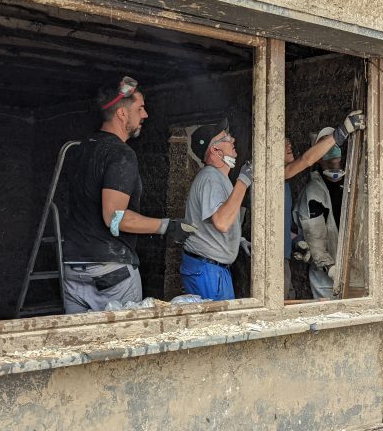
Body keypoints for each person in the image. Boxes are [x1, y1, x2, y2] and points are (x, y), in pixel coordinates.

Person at [62, 76, 196, 313]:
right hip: (109, 274)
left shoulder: (80, 149)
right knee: (122, 342)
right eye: (140, 108)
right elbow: (115, 217)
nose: (144, 115)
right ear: (122, 114)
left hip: (73, 268)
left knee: (82, 344)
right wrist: (167, 226)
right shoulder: (121, 154)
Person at [283, 110, 364, 299]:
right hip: (328, 280)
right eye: (327, 144)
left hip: (355, 274)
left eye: (336, 144)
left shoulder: (351, 185)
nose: (334, 148)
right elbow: (315, 237)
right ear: (318, 154)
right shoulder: (314, 192)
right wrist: (331, 268)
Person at [181, 122, 253, 301]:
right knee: (218, 327)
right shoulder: (210, 178)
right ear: (215, 150)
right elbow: (221, 222)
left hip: (211, 269)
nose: (233, 139)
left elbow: (216, 219)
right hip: (208, 271)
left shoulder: (219, 178)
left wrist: (238, 240)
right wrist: (243, 181)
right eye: (226, 138)